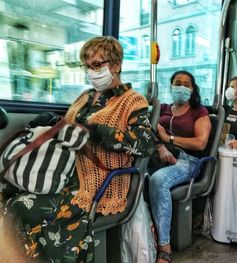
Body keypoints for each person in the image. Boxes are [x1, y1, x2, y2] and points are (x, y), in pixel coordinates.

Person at [0, 36, 156, 262]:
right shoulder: (85, 97)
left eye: (97, 65)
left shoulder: (132, 101)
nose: (91, 72)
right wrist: (52, 122)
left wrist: (98, 131)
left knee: (24, 206)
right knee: (8, 190)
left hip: (100, 178)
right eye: (87, 66)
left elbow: (145, 143)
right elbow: (69, 124)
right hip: (66, 168)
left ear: (116, 65)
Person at [149, 70, 211, 263]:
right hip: (159, 155)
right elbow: (148, 131)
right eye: (178, 83)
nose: (181, 87)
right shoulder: (164, 109)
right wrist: (160, 146)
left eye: (186, 84)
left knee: (159, 180)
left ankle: (164, 246)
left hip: (189, 161)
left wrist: (170, 139)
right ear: (171, 86)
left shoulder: (199, 112)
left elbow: (200, 143)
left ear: (192, 89)